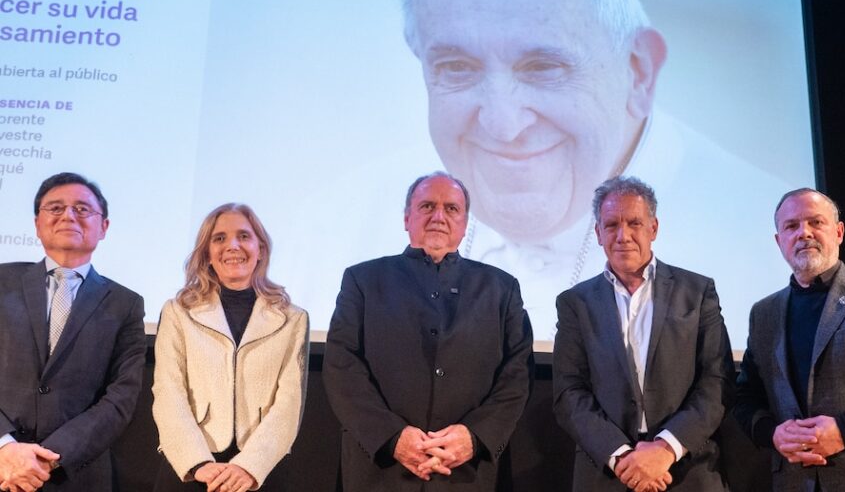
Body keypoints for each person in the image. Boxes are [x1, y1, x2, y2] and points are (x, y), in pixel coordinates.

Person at [398, 0, 794, 340]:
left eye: (543, 67)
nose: (503, 125)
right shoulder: (335, 224)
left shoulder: (759, 234)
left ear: (639, 71)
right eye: (456, 67)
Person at [323, 172, 533, 491]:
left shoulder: (501, 289)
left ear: (465, 224)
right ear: (407, 218)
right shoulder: (364, 281)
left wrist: (473, 437)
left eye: (451, 209)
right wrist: (392, 437)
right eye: (427, 206)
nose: (438, 216)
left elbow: (517, 375)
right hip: (381, 470)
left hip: (468, 471)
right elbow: (341, 366)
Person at [553, 176, 734, 491]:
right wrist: (623, 458)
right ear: (597, 233)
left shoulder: (697, 291)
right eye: (611, 225)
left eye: (634, 223)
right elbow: (569, 394)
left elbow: (716, 380)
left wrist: (665, 449)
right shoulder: (575, 303)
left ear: (654, 228)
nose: (623, 236)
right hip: (608, 473)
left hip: (687, 469)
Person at [734, 189, 845, 491]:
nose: (804, 233)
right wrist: (772, 433)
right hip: (794, 482)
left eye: (816, 222)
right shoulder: (764, 313)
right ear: (778, 241)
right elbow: (745, 397)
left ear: (838, 232)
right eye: (791, 226)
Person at [0, 172, 145, 491]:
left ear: (103, 226)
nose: (68, 215)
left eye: (82, 209)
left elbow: (120, 398)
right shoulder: (2, 282)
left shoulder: (125, 305)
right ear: (37, 223)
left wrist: (46, 459)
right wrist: (6, 446)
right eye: (55, 208)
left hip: (74, 474)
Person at [152, 203, 309, 492]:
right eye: (219, 238)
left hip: (261, 472)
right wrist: (199, 464)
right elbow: (168, 392)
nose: (232, 245)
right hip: (191, 470)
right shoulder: (178, 312)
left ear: (260, 249)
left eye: (244, 236)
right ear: (207, 252)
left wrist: (249, 466)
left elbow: (290, 402)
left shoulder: (292, 318)